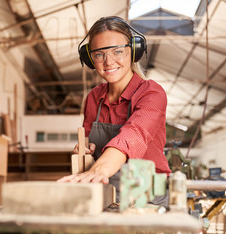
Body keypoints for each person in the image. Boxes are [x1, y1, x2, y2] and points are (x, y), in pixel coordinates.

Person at [57, 16, 171, 205]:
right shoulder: (94, 98)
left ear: (133, 51)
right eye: (99, 55)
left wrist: (99, 169)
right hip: (108, 192)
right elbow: (86, 143)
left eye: (117, 51)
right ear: (90, 58)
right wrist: (84, 152)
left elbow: (134, 135)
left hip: (148, 194)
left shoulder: (152, 93)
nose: (108, 62)